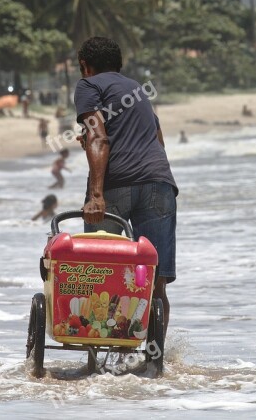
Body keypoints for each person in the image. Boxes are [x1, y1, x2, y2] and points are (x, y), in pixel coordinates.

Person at [74, 36, 177, 339]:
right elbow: (156, 140)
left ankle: (98, 354)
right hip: (159, 185)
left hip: (116, 186)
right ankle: (153, 362)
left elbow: (98, 138)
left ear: (85, 66)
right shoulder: (138, 91)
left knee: (96, 274)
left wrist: (95, 195)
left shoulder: (88, 86)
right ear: (119, 65)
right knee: (154, 280)